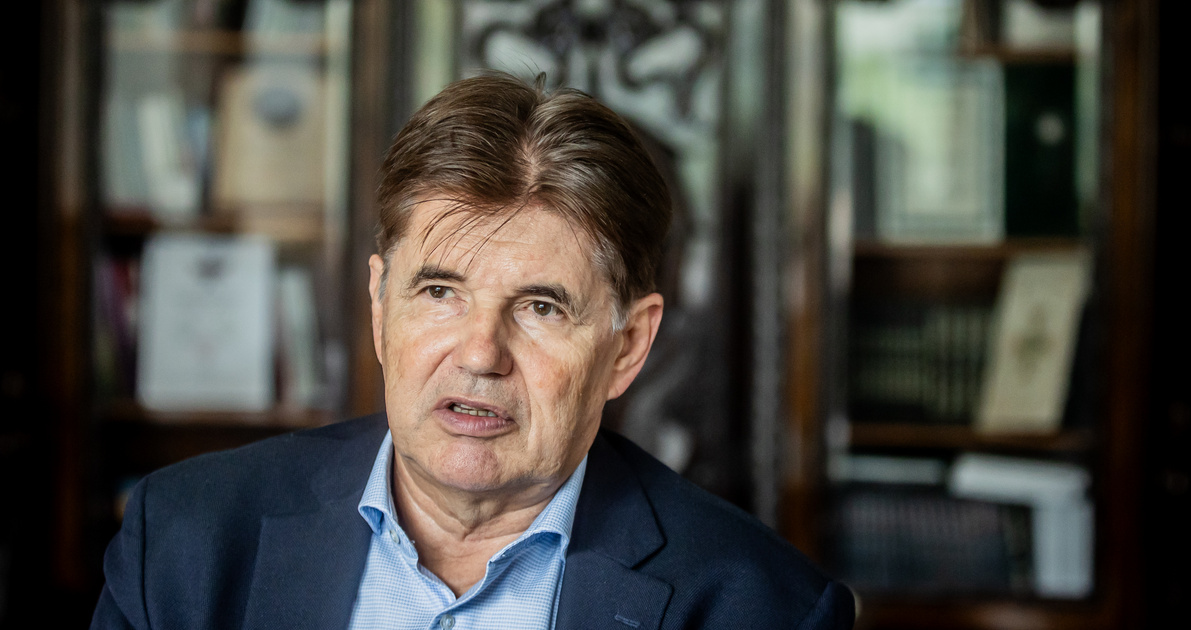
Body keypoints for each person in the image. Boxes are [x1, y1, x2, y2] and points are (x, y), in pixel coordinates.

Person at [91, 72, 855, 630]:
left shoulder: (762, 608)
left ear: (627, 347)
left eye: (540, 307)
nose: (481, 354)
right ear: (380, 304)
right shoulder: (186, 542)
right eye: (439, 292)